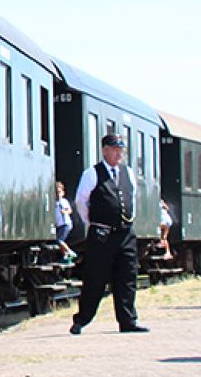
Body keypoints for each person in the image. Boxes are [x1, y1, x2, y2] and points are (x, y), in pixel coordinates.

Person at [69, 133, 148, 335]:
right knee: (95, 278)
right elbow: (81, 202)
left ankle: (128, 321)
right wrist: (94, 223)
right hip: (102, 235)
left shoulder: (128, 173)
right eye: (115, 149)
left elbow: (133, 199)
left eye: (121, 149)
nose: (119, 153)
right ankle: (82, 320)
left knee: (127, 278)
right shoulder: (92, 174)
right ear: (105, 150)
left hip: (125, 234)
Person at [53, 182, 76, 264]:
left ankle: (70, 252)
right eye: (56, 193)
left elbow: (70, 210)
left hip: (65, 224)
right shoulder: (54, 203)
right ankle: (66, 256)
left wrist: (64, 211)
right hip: (59, 225)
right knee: (59, 241)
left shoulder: (63, 201)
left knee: (59, 240)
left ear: (63, 193)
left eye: (59, 192)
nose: (58, 194)